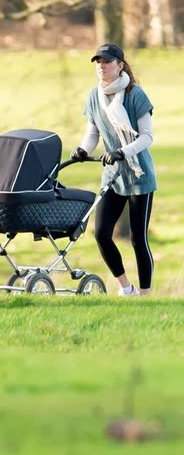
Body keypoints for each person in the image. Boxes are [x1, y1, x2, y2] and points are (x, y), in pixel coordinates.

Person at [70, 43, 157, 296]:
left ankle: (146, 296)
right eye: (98, 62)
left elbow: (147, 136)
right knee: (101, 234)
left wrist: (123, 152)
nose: (101, 66)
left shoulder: (135, 94)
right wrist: (83, 149)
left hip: (139, 176)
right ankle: (126, 288)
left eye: (106, 62)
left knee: (138, 239)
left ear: (120, 65)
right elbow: (93, 133)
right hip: (113, 177)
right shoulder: (93, 96)